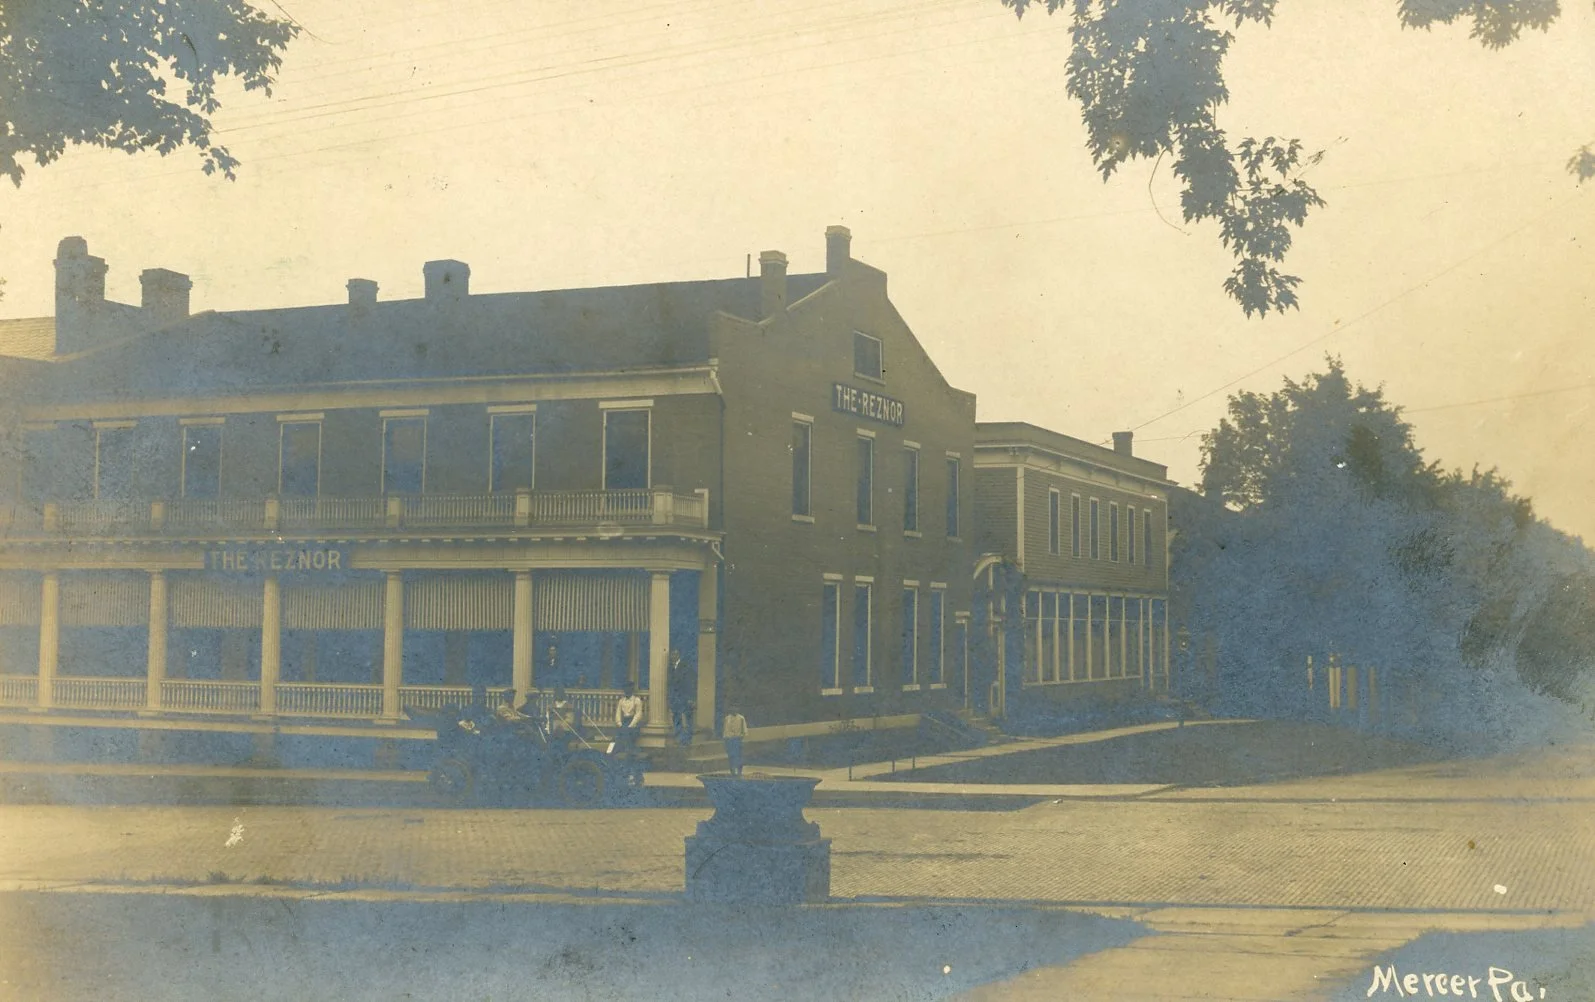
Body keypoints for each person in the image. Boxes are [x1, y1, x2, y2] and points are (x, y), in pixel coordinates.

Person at [614, 682, 645, 783]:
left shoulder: (636, 700)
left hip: (633, 724)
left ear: (632, 690)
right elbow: (618, 713)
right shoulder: (621, 701)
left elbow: (638, 714)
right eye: (625, 689)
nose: (627, 691)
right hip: (624, 723)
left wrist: (630, 725)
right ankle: (627, 769)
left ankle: (631, 771)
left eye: (629, 689)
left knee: (628, 743)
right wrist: (619, 723)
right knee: (621, 743)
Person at [722, 705, 748, 778]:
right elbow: (725, 730)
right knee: (731, 756)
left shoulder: (741, 718)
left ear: (738, 708)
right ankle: (732, 772)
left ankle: (739, 772)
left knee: (739, 757)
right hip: (730, 740)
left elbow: (745, 730)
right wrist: (726, 740)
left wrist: (740, 738)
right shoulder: (727, 718)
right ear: (730, 708)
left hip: (738, 739)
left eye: (736, 707)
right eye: (732, 707)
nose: (734, 709)